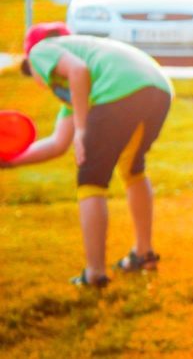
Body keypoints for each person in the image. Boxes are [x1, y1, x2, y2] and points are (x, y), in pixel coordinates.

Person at [3, 23, 174, 289]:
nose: (37, 80)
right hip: (157, 87)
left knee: (90, 179)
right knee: (132, 168)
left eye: (30, 73)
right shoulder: (82, 87)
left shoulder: (41, 51)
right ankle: (144, 253)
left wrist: (82, 130)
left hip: (121, 89)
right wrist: (8, 161)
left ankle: (94, 273)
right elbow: (58, 144)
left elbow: (77, 71)